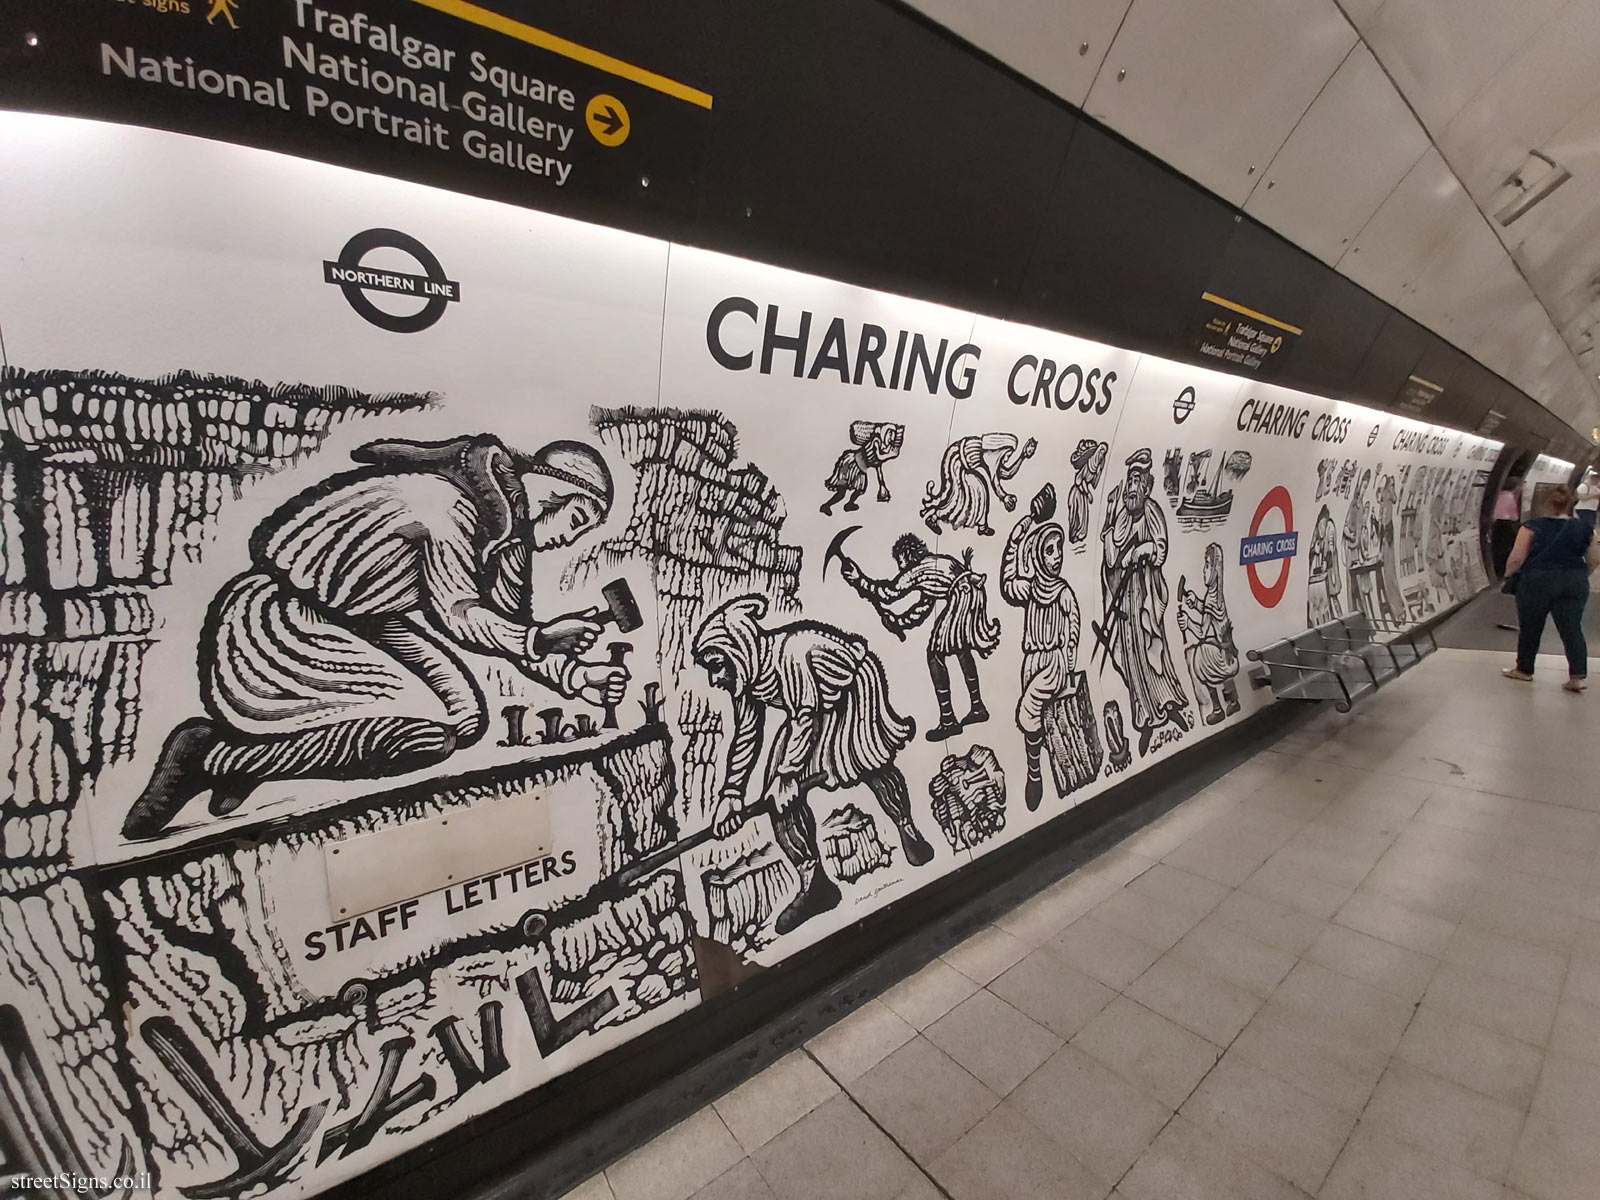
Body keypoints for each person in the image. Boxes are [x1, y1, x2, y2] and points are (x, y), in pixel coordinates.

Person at [122, 435, 629, 839]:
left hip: (370, 621)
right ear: (547, 489)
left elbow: (510, 628)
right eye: (577, 519)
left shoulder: (509, 538)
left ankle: (260, 757)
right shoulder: (448, 505)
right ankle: (208, 754)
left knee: (467, 721)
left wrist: (576, 674)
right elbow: (460, 613)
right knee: (425, 734)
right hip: (284, 616)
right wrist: (540, 640)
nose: (570, 537)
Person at [693, 595, 933, 934]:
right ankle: (815, 884)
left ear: (739, 649)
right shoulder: (747, 680)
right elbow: (747, 734)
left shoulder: (791, 652)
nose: (715, 679)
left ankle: (908, 831)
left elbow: (804, 717)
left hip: (852, 690)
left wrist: (788, 774)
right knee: (778, 799)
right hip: (809, 710)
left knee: (868, 759)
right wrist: (731, 795)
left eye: (717, 666)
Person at [837, 533, 999, 741]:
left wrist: (859, 580)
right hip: (972, 593)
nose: (899, 567)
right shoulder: (934, 567)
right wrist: (899, 622)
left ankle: (948, 720)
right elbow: (922, 609)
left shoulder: (918, 569)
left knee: (935, 654)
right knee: (960, 647)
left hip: (961, 595)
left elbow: (889, 593)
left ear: (906, 554)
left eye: (899, 561)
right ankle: (977, 707)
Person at [1001, 485, 1100, 810]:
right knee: (1037, 719)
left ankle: (1034, 773)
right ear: (1036, 555)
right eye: (1049, 551)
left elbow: (1073, 628)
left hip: (1054, 664)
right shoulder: (1031, 588)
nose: (1056, 556)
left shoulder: (1062, 592)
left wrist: (1068, 664)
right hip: (1032, 662)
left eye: (1059, 549)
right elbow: (1006, 581)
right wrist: (1024, 526)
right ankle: (1042, 759)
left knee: (1027, 714)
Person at [1099, 450, 1191, 755]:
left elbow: (1160, 549)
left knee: (1155, 653)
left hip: (1147, 599)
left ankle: (1169, 704)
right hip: (1125, 602)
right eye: (1130, 480)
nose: (1132, 486)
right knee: (1134, 659)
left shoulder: (1151, 511)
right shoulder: (1121, 517)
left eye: (1137, 480)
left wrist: (1143, 551)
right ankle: (1146, 718)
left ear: (1147, 486)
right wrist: (1110, 524)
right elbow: (1111, 559)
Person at [1502, 483, 1599, 692]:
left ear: (1545, 503)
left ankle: (1524, 670)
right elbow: (1594, 558)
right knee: (1572, 628)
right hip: (1574, 581)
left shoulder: (1531, 526)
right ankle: (1577, 676)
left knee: (1531, 627)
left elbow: (1517, 558)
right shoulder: (1585, 527)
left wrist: (1508, 575)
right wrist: (1580, 575)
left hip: (1537, 580)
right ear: (1569, 504)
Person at [1176, 543, 1241, 726]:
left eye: (1207, 565)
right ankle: (1233, 701)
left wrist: (1188, 623)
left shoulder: (1211, 599)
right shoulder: (1216, 595)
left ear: (1215, 568)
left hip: (1222, 659)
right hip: (1230, 654)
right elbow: (1210, 614)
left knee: (1198, 657)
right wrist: (1195, 603)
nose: (1204, 571)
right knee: (1209, 649)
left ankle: (1217, 708)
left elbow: (1202, 633)